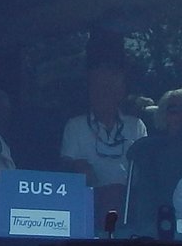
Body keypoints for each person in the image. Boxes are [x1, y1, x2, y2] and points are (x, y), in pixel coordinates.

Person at [60, 56, 146, 189]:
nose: (103, 93)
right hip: (90, 196)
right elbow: (65, 167)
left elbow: (146, 166)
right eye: (97, 87)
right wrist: (77, 168)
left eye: (108, 87)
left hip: (129, 197)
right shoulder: (75, 126)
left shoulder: (136, 126)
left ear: (120, 93)